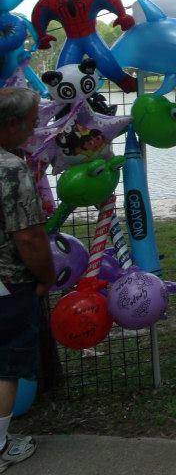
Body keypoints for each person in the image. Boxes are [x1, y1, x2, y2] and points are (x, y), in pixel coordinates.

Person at [0, 87, 54, 469]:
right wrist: (46, 275)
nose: (36, 128)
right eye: (33, 122)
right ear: (13, 124)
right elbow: (29, 235)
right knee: (6, 366)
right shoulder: (10, 168)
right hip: (7, 283)